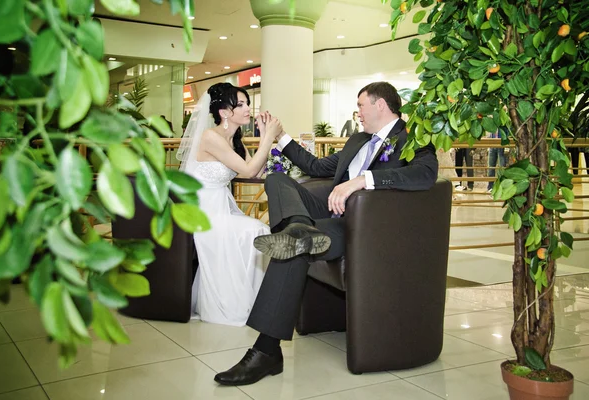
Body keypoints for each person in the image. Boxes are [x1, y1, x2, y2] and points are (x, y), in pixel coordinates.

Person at [213, 81, 439, 386]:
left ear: (380, 105)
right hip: (322, 215)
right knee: (278, 183)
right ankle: (298, 227)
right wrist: (280, 137)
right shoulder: (357, 140)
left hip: (360, 228)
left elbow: (425, 174)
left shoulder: (412, 139)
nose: (357, 113)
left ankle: (266, 351)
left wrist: (361, 181)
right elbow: (315, 165)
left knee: (292, 246)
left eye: (361, 105)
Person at [177, 82, 283, 326]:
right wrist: (267, 137)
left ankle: (255, 301)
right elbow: (248, 168)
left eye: (247, 103)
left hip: (220, 207)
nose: (248, 109)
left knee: (257, 229)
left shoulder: (234, 138)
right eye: (242, 104)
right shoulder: (210, 137)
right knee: (255, 230)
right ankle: (239, 303)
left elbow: (253, 174)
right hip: (203, 212)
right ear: (224, 112)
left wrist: (266, 139)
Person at [486, 127, 507, 193]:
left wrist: (506, 147)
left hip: (501, 145)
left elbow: (507, 133)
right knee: (490, 167)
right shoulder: (491, 122)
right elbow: (489, 134)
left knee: (501, 167)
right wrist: (488, 146)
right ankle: (490, 186)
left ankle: (501, 187)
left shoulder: (503, 122)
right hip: (492, 145)